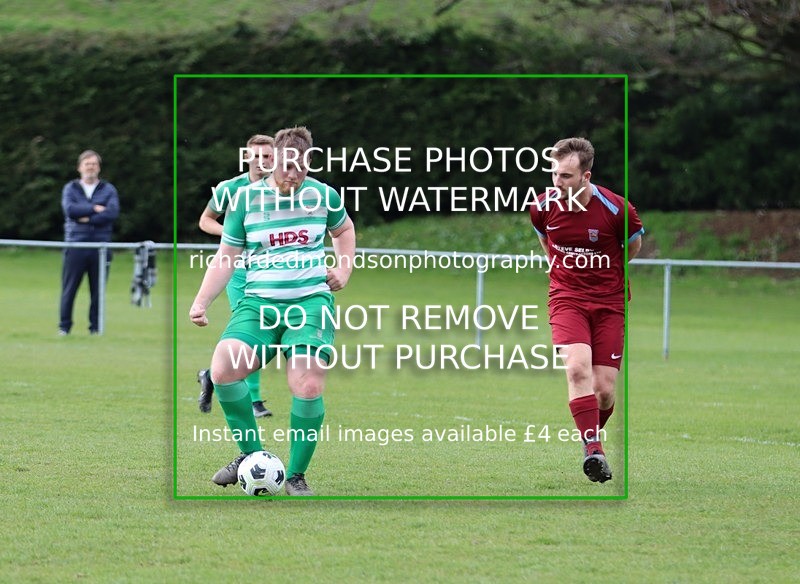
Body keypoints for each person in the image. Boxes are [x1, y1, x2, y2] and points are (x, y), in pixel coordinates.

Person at [189, 126, 356, 496]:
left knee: (308, 383)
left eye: (300, 167)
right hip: (259, 304)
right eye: (285, 166)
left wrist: (343, 268)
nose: (292, 174)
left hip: (310, 303)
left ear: (308, 162)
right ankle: (252, 457)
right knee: (223, 369)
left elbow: (344, 231)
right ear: (272, 162)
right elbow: (227, 257)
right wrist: (202, 301)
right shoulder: (245, 200)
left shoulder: (323, 196)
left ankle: (295, 476)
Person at [529, 137, 644, 483]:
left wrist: (605, 275)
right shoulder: (542, 207)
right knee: (577, 369)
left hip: (609, 303)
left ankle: (589, 439)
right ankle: (594, 449)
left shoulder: (618, 210)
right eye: (554, 174)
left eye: (566, 176)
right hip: (567, 299)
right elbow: (547, 243)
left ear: (586, 176)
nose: (557, 183)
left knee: (604, 390)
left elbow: (632, 247)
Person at [196, 134, 275, 419]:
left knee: (268, 336)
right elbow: (206, 220)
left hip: (270, 273)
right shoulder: (231, 188)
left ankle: (210, 373)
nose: (263, 161)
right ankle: (253, 401)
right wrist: (233, 237)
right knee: (251, 332)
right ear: (246, 157)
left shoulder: (281, 189)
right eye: (257, 156)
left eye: (268, 156)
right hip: (239, 272)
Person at [59, 150, 120, 335]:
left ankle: (95, 328)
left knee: (98, 290)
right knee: (69, 289)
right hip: (75, 245)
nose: (90, 167)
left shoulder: (108, 190)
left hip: (100, 247)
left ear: (99, 167)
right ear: (79, 167)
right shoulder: (70, 188)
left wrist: (85, 217)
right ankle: (64, 327)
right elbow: (70, 210)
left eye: (94, 164)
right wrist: (94, 208)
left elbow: (111, 213)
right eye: (87, 164)